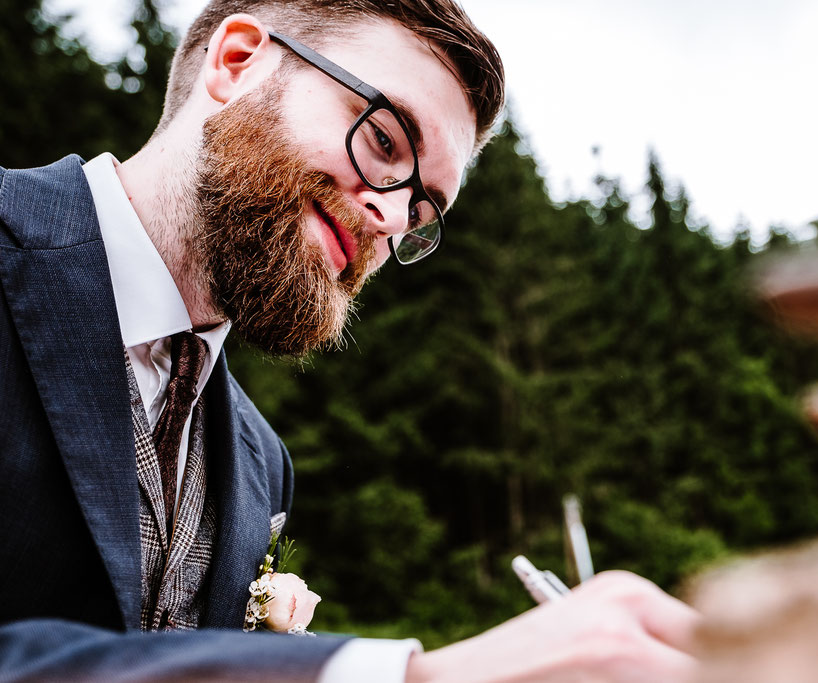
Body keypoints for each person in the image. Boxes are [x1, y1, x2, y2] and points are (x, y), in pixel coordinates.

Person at [0, 1, 698, 680]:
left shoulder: (260, 460)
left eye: (421, 209)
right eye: (385, 139)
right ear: (238, 62)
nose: (391, 219)